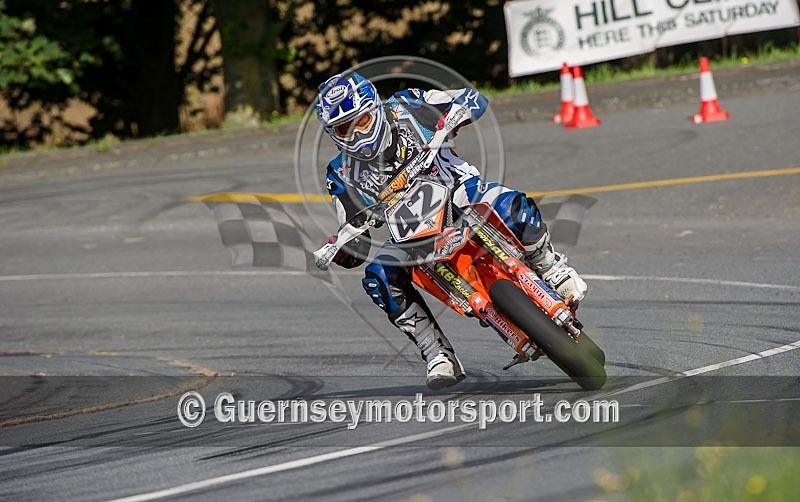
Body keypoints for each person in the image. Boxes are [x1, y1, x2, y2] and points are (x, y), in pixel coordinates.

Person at [315, 71, 587, 390]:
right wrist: (343, 248)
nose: (355, 135)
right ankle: (436, 352)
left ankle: (552, 268)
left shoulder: (408, 105)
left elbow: (470, 97)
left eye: (359, 122)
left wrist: (458, 111)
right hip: (409, 231)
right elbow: (351, 228)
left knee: (508, 203)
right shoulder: (339, 172)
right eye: (343, 129)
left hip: (458, 191)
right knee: (379, 276)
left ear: (374, 109)